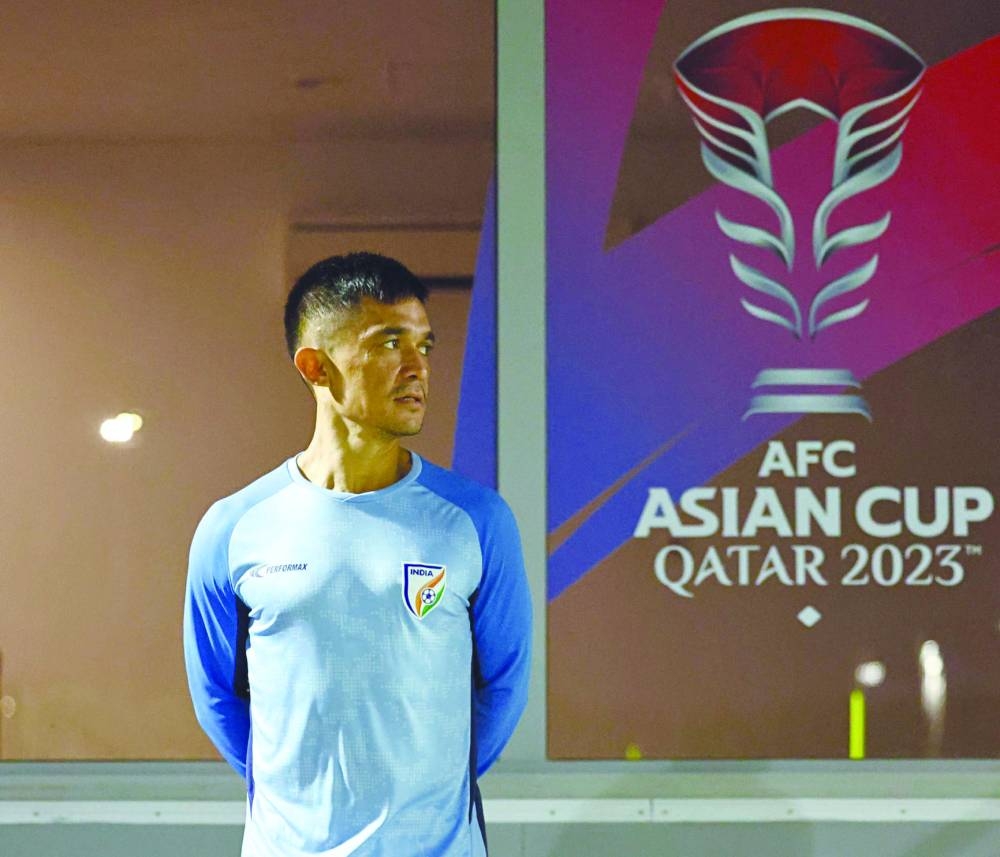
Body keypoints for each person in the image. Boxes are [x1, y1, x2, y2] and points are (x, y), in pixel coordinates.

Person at [183, 252, 532, 857]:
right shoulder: (234, 527)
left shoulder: (477, 520)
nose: (417, 367)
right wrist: (299, 800)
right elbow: (217, 696)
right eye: (390, 343)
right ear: (316, 366)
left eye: (425, 345)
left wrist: (424, 794)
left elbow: (504, 688)